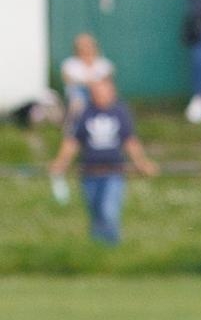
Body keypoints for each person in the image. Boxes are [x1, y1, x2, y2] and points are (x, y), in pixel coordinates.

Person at [47, 76, 158, 246]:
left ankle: (112, 247)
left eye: (103, 91)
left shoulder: (120, 112)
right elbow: (73, 141)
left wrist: (142, 163)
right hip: (89, 173)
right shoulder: (84, 113)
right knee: (96, 213)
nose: (99, 95)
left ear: (112, 92)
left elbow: (130, 141)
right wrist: (61, 162)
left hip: (113, 172)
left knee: (108, 211)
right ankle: (97, 251)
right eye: (96, 92)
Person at [60, 33, 113, 121]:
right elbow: (68, 81)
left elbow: (108, 81)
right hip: (79, 93)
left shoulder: (103, 63)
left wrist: (94, 87)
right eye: (82, 46)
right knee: (77, 100)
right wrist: (89, 84)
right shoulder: (70, 64)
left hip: (99, 93)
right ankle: (74, 125)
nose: (86, 48)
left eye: (88, 45)